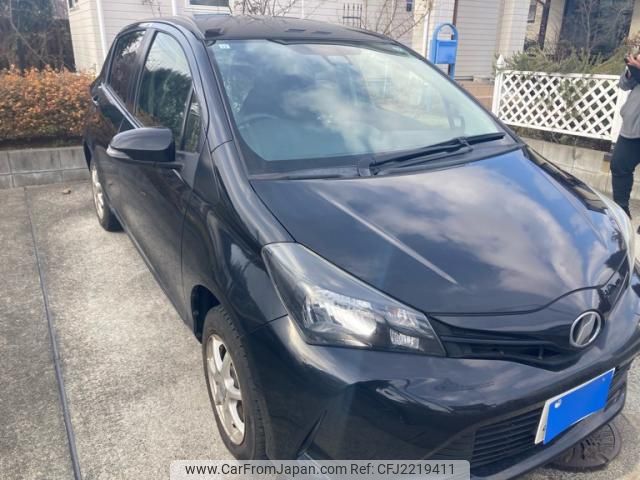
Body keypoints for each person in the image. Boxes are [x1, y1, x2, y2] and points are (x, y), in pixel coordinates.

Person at [610, 53, 640, 220]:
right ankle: (622, 213)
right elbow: (623, 84)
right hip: (633, 125)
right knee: (619, 165)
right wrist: (631, 70)